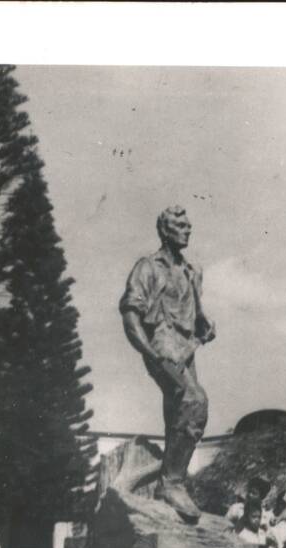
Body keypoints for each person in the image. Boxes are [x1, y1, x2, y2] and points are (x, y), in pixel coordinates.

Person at [119, 206, 215, 521]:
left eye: (189, 225)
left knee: (181, 419)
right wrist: (150, 352)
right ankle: (172, 483)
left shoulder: (192, 270)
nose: (188, 229)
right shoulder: (148, 267)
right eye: (180, 225)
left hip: (187, 350)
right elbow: (131, 314)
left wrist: (205, 325)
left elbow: (195, 313)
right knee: (194, 400)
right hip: (162, 346)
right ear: (164, 230)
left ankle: (170, 483)